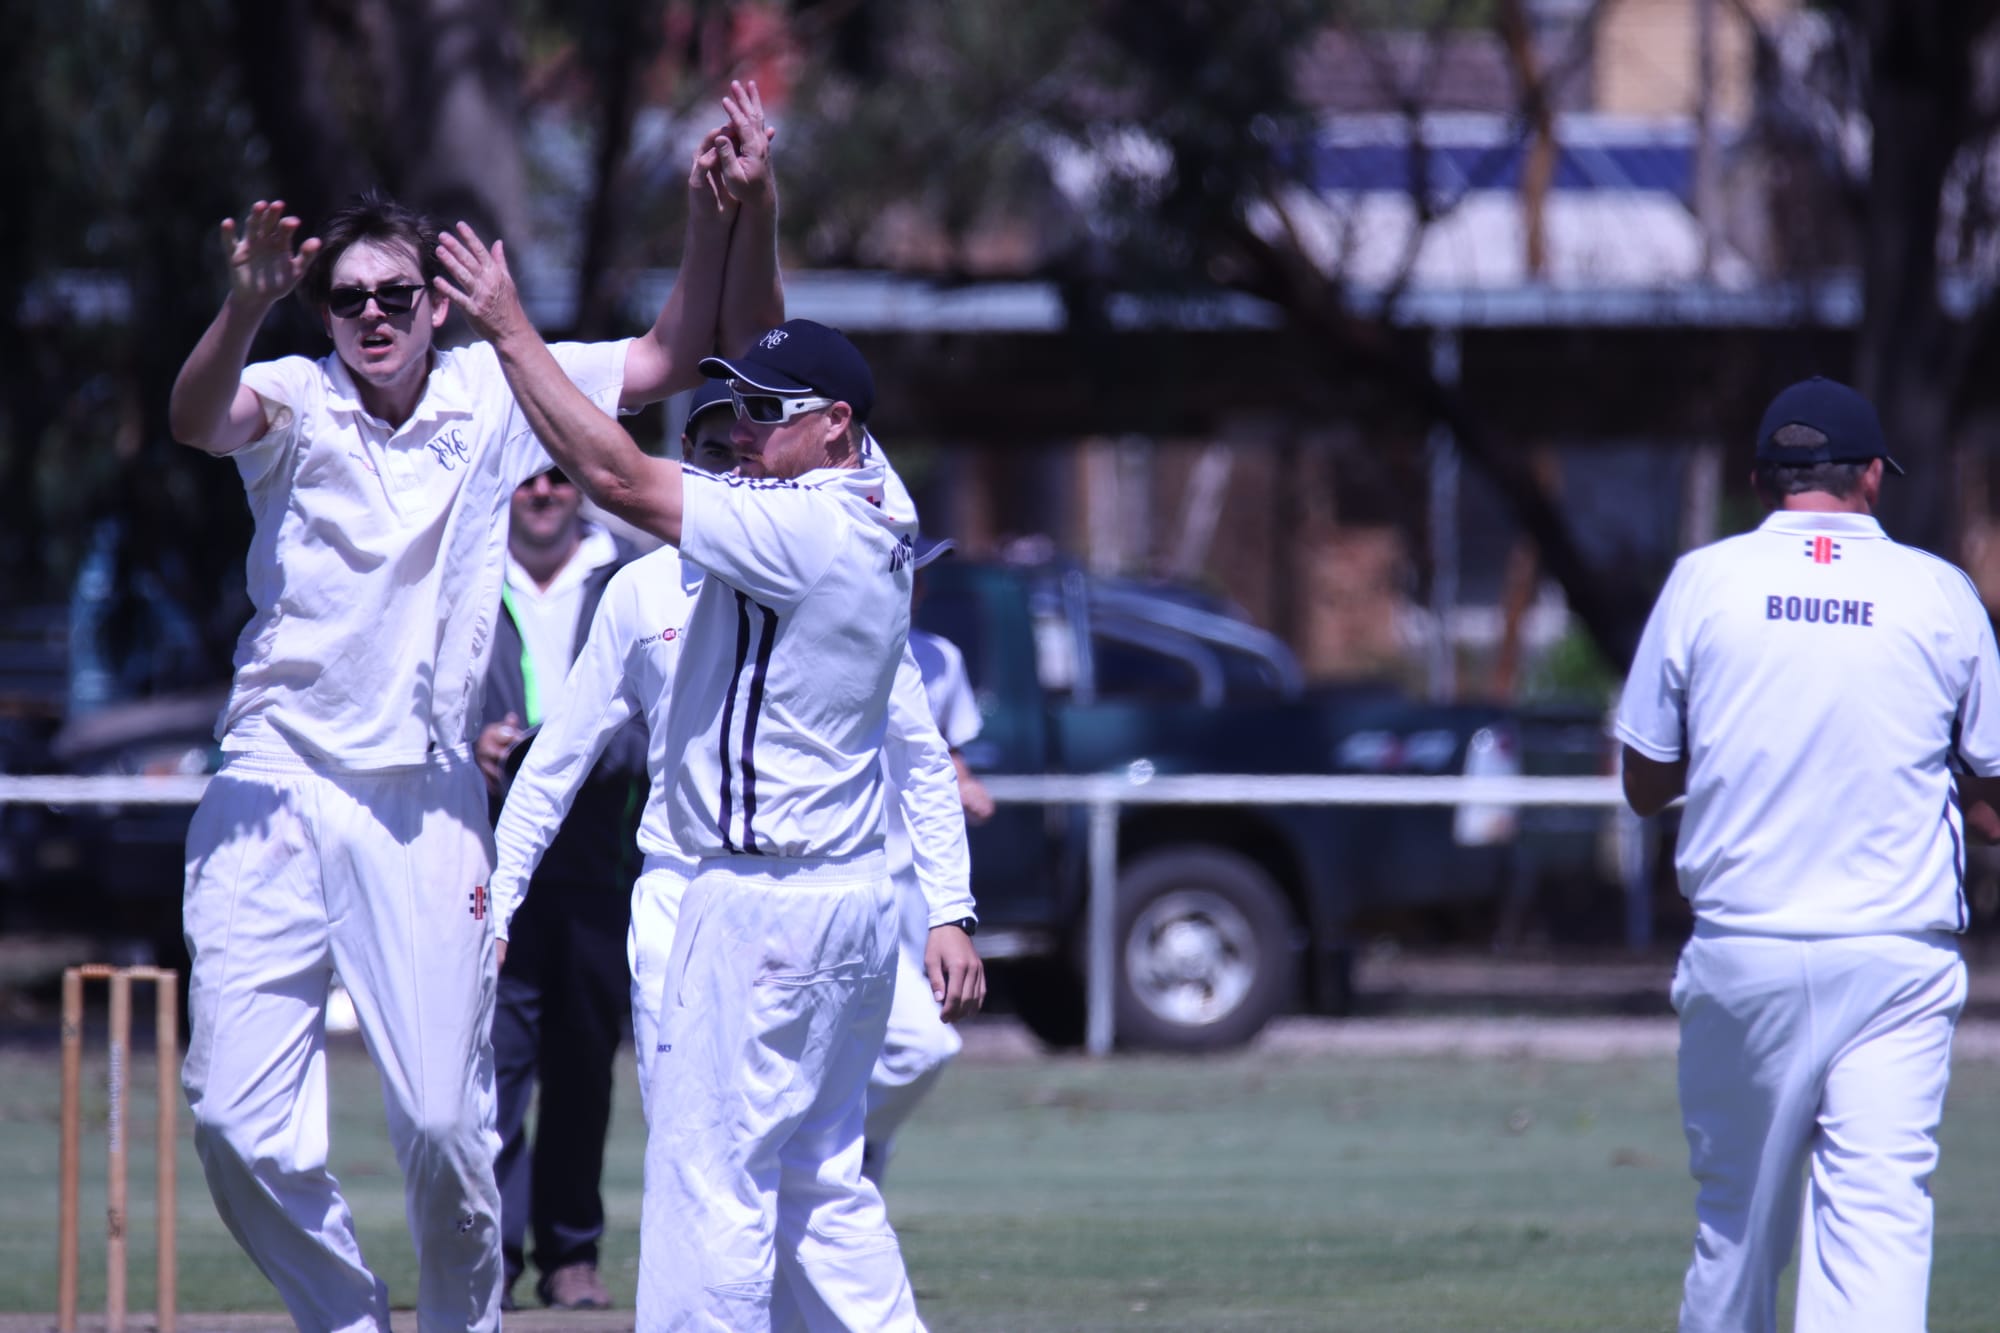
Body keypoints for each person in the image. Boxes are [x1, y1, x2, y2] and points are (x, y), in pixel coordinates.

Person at [164, 83, 778, 1331]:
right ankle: (348, 1313)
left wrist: (711, 211)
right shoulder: (294, 397)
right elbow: (193, 418)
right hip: (271, 784)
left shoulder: (490, 389)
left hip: (427, 804)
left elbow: (666, 359)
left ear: (436, 305)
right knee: (233, 1122)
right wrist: (241, 306)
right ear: (323, 311)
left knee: (447, 1124)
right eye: (350, 299)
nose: (376, 316)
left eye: (398, 295)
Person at [438, 202, 986, 1325]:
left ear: (834, 427)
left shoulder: (798, 533)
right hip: (838, 904)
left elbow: (617, 477)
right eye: (726, 419)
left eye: (761, 421)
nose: (738, 439)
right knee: (819, 1185)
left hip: (754, 908)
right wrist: (750, 213)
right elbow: (790, 359)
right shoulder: (878, 497)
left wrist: (508, 332)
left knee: (710, 1190)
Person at [1615, 375, 2000, 1333]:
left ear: (1760, 481)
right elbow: (1994, 805)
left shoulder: (1703, 582)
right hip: (1896, 960)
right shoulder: (1940, 593)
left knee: (1736, 1228)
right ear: (1873, 475)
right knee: (1877, 1221)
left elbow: (1644, 780)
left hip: (1743, 950)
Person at [476, 464, 643, 1312]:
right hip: (490, 861)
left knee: (584, 1065)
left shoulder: (627, 578)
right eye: (525, 480)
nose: (542, 493)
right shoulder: (464, 572)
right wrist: (474, 743)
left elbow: (650, 716)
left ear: (578, 488)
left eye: (556, 478)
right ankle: (495, 1252)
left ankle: (572, 1252)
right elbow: (430, 694)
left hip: (595, 867)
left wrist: (554, 751)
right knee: (494, 1066)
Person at [863, 533, 994, 1184]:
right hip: (851, 880)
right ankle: (830, 1151)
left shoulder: (940, 658)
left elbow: (940, 749)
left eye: (922, 573)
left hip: (917, 886)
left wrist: (963, 780)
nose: (912, 584)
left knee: (903, 1045)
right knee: (915, 1045)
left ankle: (858, 1193)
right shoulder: (839, 639)